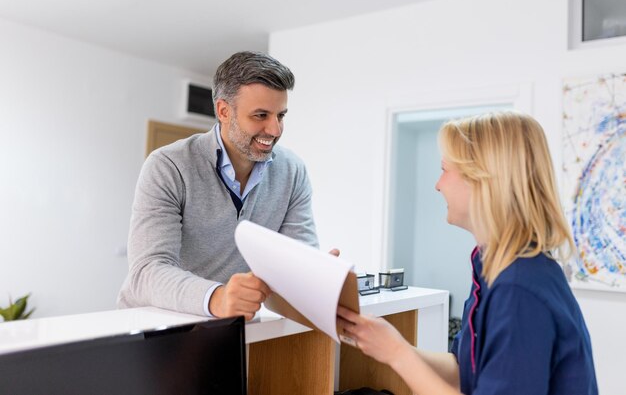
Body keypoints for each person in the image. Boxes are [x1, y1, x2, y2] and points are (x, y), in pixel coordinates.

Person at [337, 111, 598, 395]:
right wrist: (386, 343)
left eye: (445, 169)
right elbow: (465, 369)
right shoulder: (494, 267)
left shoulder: (518, 288)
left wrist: (398, 354)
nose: (438, 185)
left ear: (483, 180)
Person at [118, 51, 328, 320]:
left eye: (281, 115)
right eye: (261, 115)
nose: (274, 130)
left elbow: (296, 258)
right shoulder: (169, 166)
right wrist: (218, 297)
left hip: (231, 326)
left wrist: (316, 273)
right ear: (223, 111)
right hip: (155, 328)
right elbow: (147, 271)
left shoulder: (292, 171)